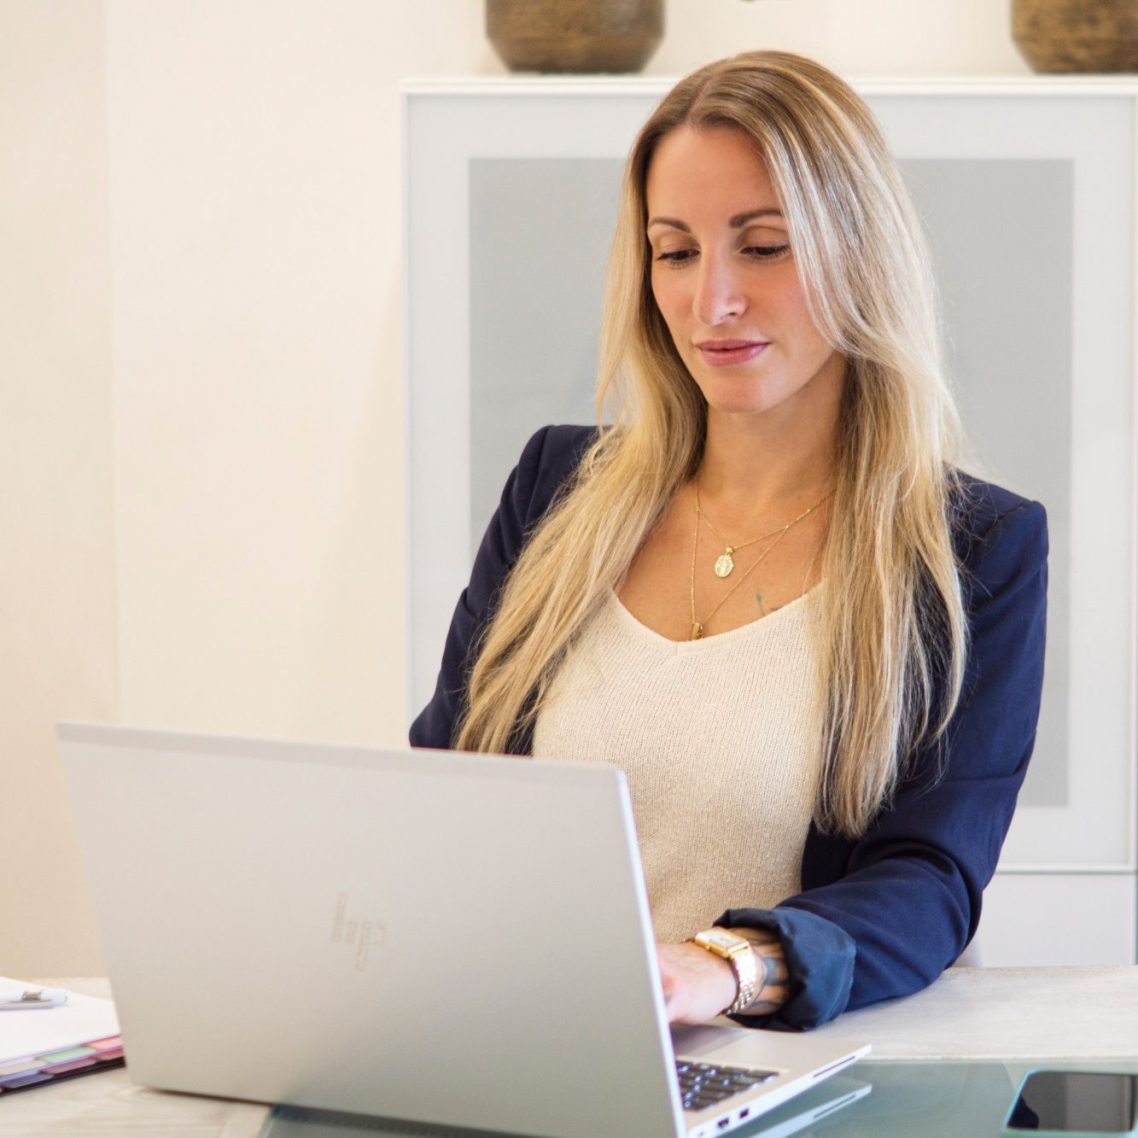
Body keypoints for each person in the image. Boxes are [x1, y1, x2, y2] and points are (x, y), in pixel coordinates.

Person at [410, 50, 1047, 1031]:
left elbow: (928, 883)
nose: (712, 301)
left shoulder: (973, 551)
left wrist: (717, 968)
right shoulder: (554, 489)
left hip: (772, 1068)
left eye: (763, 246)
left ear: (859, 255)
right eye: (675, 251)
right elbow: (445, 788)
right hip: (530, 1047)